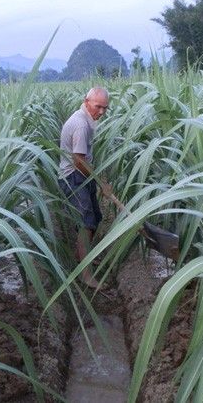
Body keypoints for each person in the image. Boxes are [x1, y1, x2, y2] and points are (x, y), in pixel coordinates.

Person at [58, 87, 113, 289]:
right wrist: (102, 183)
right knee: (86, 223)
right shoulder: (81, 125)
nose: (101, 112)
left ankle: (82, 258)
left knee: (95, 218)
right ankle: (86, 275)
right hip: (73, 177)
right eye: (98, 106)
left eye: (105, 108)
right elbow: (79, 161)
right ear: (86, 101)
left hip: (81, 176)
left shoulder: (84, 118)